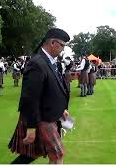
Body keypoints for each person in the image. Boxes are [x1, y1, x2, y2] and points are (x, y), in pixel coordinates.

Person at [8, 28, 70, 164]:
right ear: (53, 43)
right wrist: (31, 127)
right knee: (57, 155)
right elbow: (30, 98)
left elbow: (54, 90)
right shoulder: (37, 63)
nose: (63, 49)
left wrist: (62, 110)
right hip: (42, 119)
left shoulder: (51, 63)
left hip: (50, 116)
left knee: (33, 154)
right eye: (62, 45)